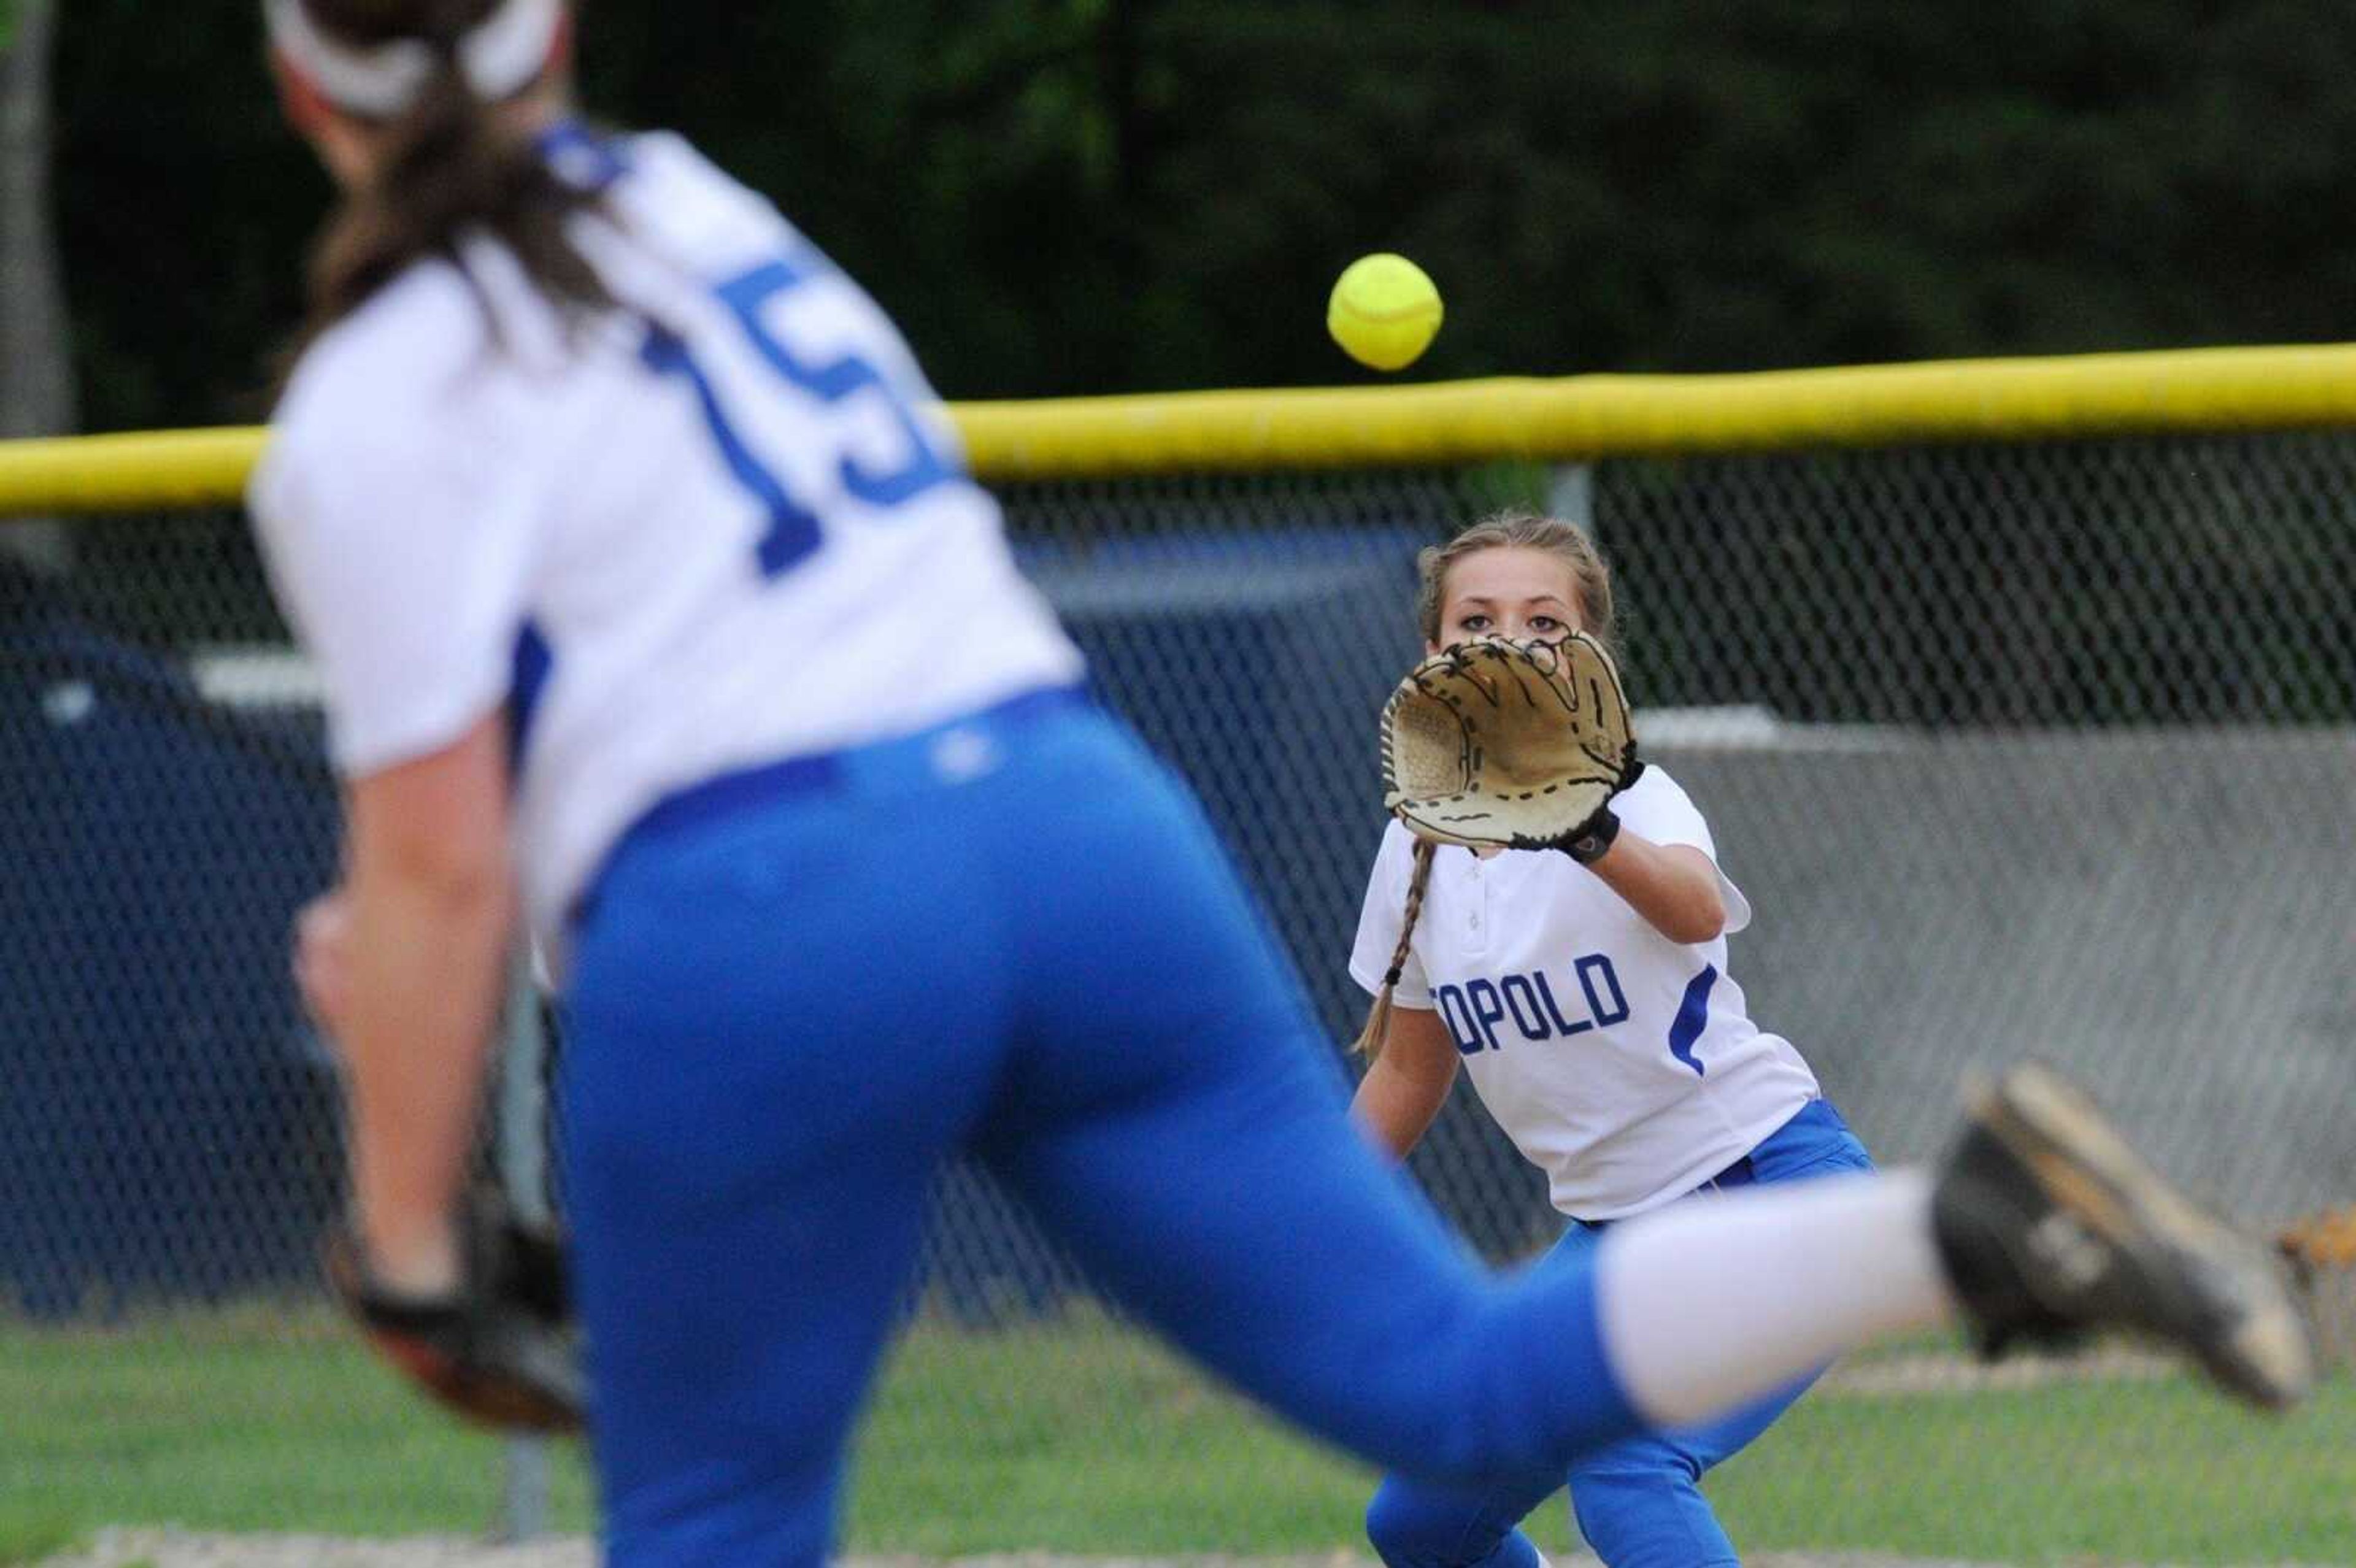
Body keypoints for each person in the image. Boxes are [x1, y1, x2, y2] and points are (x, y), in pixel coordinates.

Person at [250, 3, 2314, 1564]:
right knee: (1447, 1379)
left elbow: (436, 863)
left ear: (301, 96)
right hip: (1077, 833)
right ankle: (1960, 1228)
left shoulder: (364, 402)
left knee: (714, 1520)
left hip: (769, 902)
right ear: (560, 45)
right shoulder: (703, 211)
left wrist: (408, 1231)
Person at [1349, 512, 1865, 1568]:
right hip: (1617, 1241)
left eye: (1544, 622)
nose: (1507, 640)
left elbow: (1692, 910)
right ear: (1430, 656)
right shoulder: (1418, 844)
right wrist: (1290, 1212)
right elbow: (1409, 1067)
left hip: (1768, 1195)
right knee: (1423, 1522)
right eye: (1474, 619)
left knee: (1628, 1471)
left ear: (1588, 661)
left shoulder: (1629, 794)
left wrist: (1580, 822)